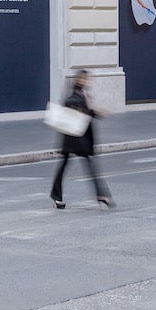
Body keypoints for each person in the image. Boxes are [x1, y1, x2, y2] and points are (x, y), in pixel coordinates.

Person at [49, 70, 114, 209]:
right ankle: (101, 195)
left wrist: (95, 112)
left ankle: (56, 196)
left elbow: (86, 111)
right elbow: (79, 109)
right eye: (85, 79)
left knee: (65, 167)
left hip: (75, 137)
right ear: (80, 80)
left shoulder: (83, 93)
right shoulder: (75, 95)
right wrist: (95, 112)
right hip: (75, 138)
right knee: (89, 166)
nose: (87, 81)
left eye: (88, 79)